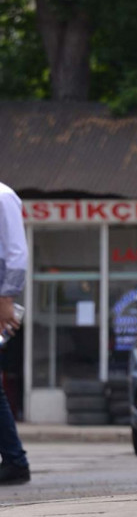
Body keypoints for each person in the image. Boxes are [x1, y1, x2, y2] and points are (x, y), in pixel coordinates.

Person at [0, 182, 30, 484]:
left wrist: (7, 298)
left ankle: (15, 461)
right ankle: (14, 459)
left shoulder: (3, 196)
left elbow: (16, 252)